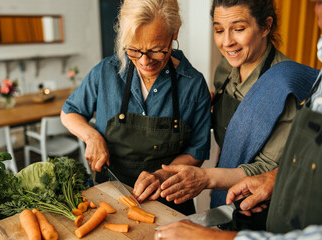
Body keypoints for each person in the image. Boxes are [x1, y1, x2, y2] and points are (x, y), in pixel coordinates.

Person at [154, 0, 322, 238]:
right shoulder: (225, 70)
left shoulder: (285, 86)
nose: (227, 42)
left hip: (264, 214)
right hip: (226, 203)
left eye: (239, 29)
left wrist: (205, 178)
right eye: (219, 30)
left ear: (265, 27)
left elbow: (267, 169)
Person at [61, 0, 211, 215]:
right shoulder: (106, 72)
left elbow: (197, 151)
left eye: (156, 50)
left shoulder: (193, 84)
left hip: (169, 200)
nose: (144, 61)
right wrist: (91, 137)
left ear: (174, 33)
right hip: (109, 198)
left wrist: (162, 176)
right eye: (134, 50)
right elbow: (69, 112)